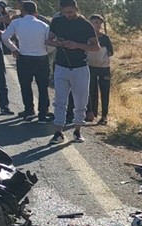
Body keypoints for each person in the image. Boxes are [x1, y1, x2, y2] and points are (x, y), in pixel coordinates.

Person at [45, 0, 97, 144]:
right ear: (61, 10)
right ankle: (58, 133)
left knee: (81, 102)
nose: (68, 15)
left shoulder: (86, 25)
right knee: (60, 101)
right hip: (61, 66)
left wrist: (77, 45)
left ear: (76, 9)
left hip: (80, 67)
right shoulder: (57, 22)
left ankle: (77, 130)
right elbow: (49, 41)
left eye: (70, 12)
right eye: (65, 12)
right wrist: (59, 43)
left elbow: (95, 47)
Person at [0, 0, 49, 121]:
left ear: (23, 11)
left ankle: (29, 110)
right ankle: (43, 113)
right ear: (36, 11)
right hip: (41, 58)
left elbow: (5, 37)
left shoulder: (17, 22)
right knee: (42, 87)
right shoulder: (44, 25)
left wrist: (15, 49)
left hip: (24, 57)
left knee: (25, 85)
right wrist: (46, 51)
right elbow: (50, 43)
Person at [84, 13, 112, 125]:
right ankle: (90, 113)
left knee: (105, 92)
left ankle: (104, 116)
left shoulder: (105, 38)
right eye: (96, 23)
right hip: (90, 67)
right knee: (90, 90)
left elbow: (110, 52)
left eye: (100, 23)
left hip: (104, 68)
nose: (98, 25)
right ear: (90, 23)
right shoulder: (85, 37)